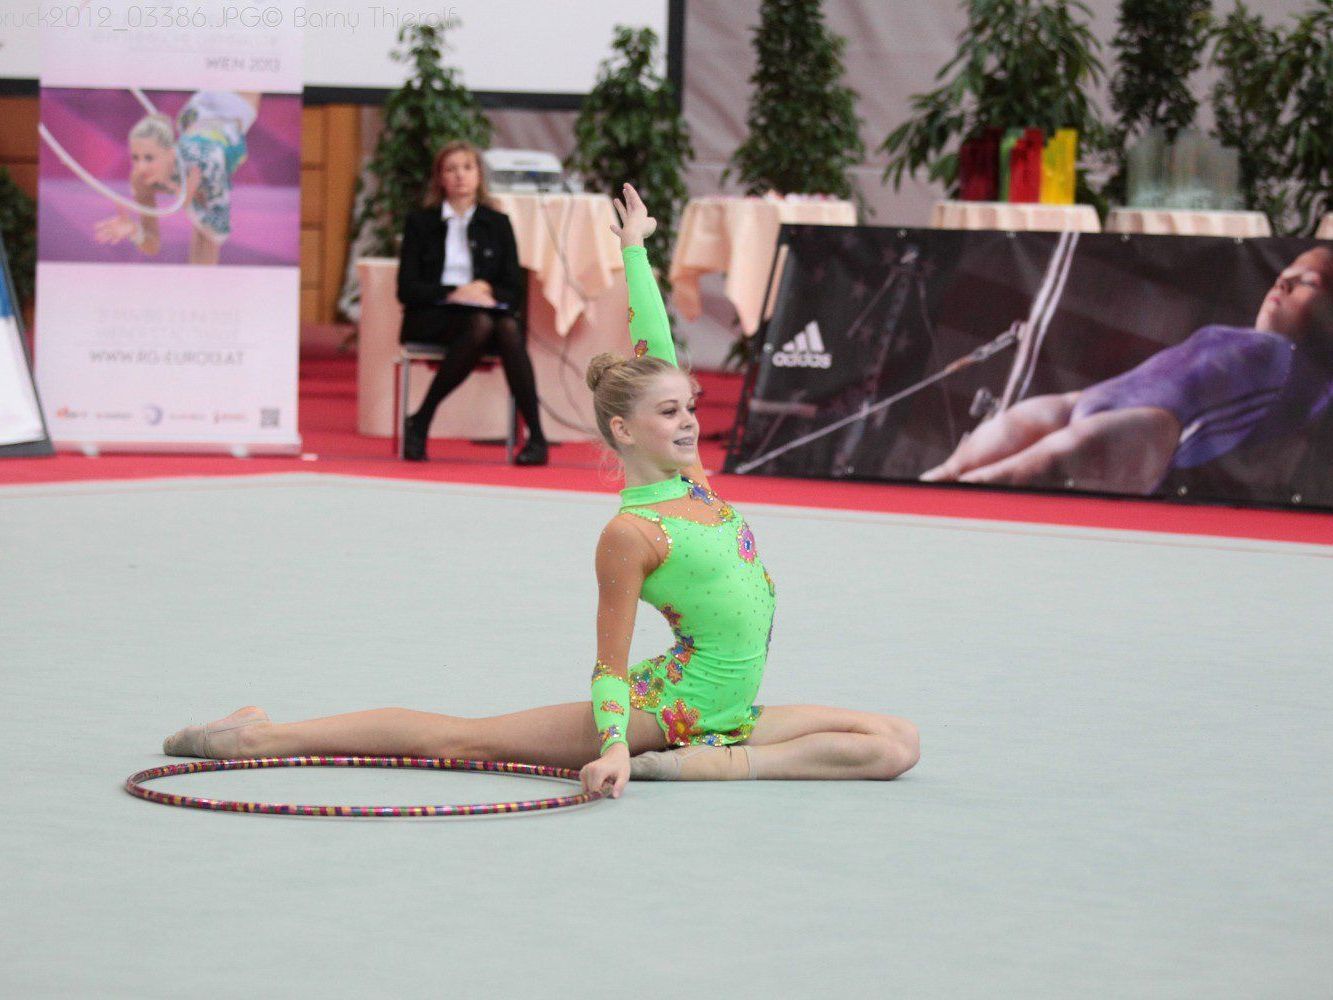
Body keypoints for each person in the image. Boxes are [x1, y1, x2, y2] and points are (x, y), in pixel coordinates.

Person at [161, 184, 920, 797]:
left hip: (726, 707)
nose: (690, 422)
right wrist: (618, 746)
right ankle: (262, 735)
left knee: (896, 743)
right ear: (624, 433)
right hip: (664, 715)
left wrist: (634, 249)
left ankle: (714, 757)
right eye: (670, 414)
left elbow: (653, 345)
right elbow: (610, 664)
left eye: (690, 407)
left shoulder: (693, 478)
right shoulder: (634, 532)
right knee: (462, 737)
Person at [921, 246, 1333, 495]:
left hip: (1152, 428)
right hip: (1085, 401)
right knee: (948, 473)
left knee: (987, 486)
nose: (1281, 286)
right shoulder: (1231, 334)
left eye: (1305, 283)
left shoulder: (1310, 377)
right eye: (1281, 277)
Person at [398, 141, 547, 465]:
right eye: (450, 169)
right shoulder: (420, 223)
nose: (460, 176)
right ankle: (422, 420)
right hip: (433, 315)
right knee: (485, 326)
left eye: (467, 168)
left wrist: (486, 290)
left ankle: (535, 436)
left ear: (479, 175)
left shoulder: (497, 223)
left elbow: (513, 290)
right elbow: (407, 288)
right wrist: (452, 292)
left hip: (485, 315)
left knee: (505, 326)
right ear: (440, 178)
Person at [94, 90, 261, 266]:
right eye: (136, 157)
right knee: (201, 218)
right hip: (199, 113)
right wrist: (135, 231)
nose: (140, 167)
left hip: (235, 107)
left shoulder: (208, 164)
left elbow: (219, 231)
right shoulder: (141, 178)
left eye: (149, 158)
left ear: (171, 153)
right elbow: (152, 245)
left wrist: (189, 203)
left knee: (205, 232)